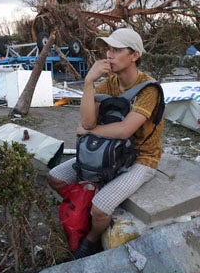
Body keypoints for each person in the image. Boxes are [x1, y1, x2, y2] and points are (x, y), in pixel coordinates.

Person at [47, 28, 164, 259]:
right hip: (106, 154)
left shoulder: (149, 89)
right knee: (55, 177)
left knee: (101, 207)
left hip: (140, 158)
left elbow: (124, 130)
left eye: (117, 50)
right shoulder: (108, 85)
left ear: (134, 55)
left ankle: (90, 241)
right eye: (108, 49)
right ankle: (84, 205)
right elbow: (87, 121)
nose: (109, 55)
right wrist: (89, 82)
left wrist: (92, 130)